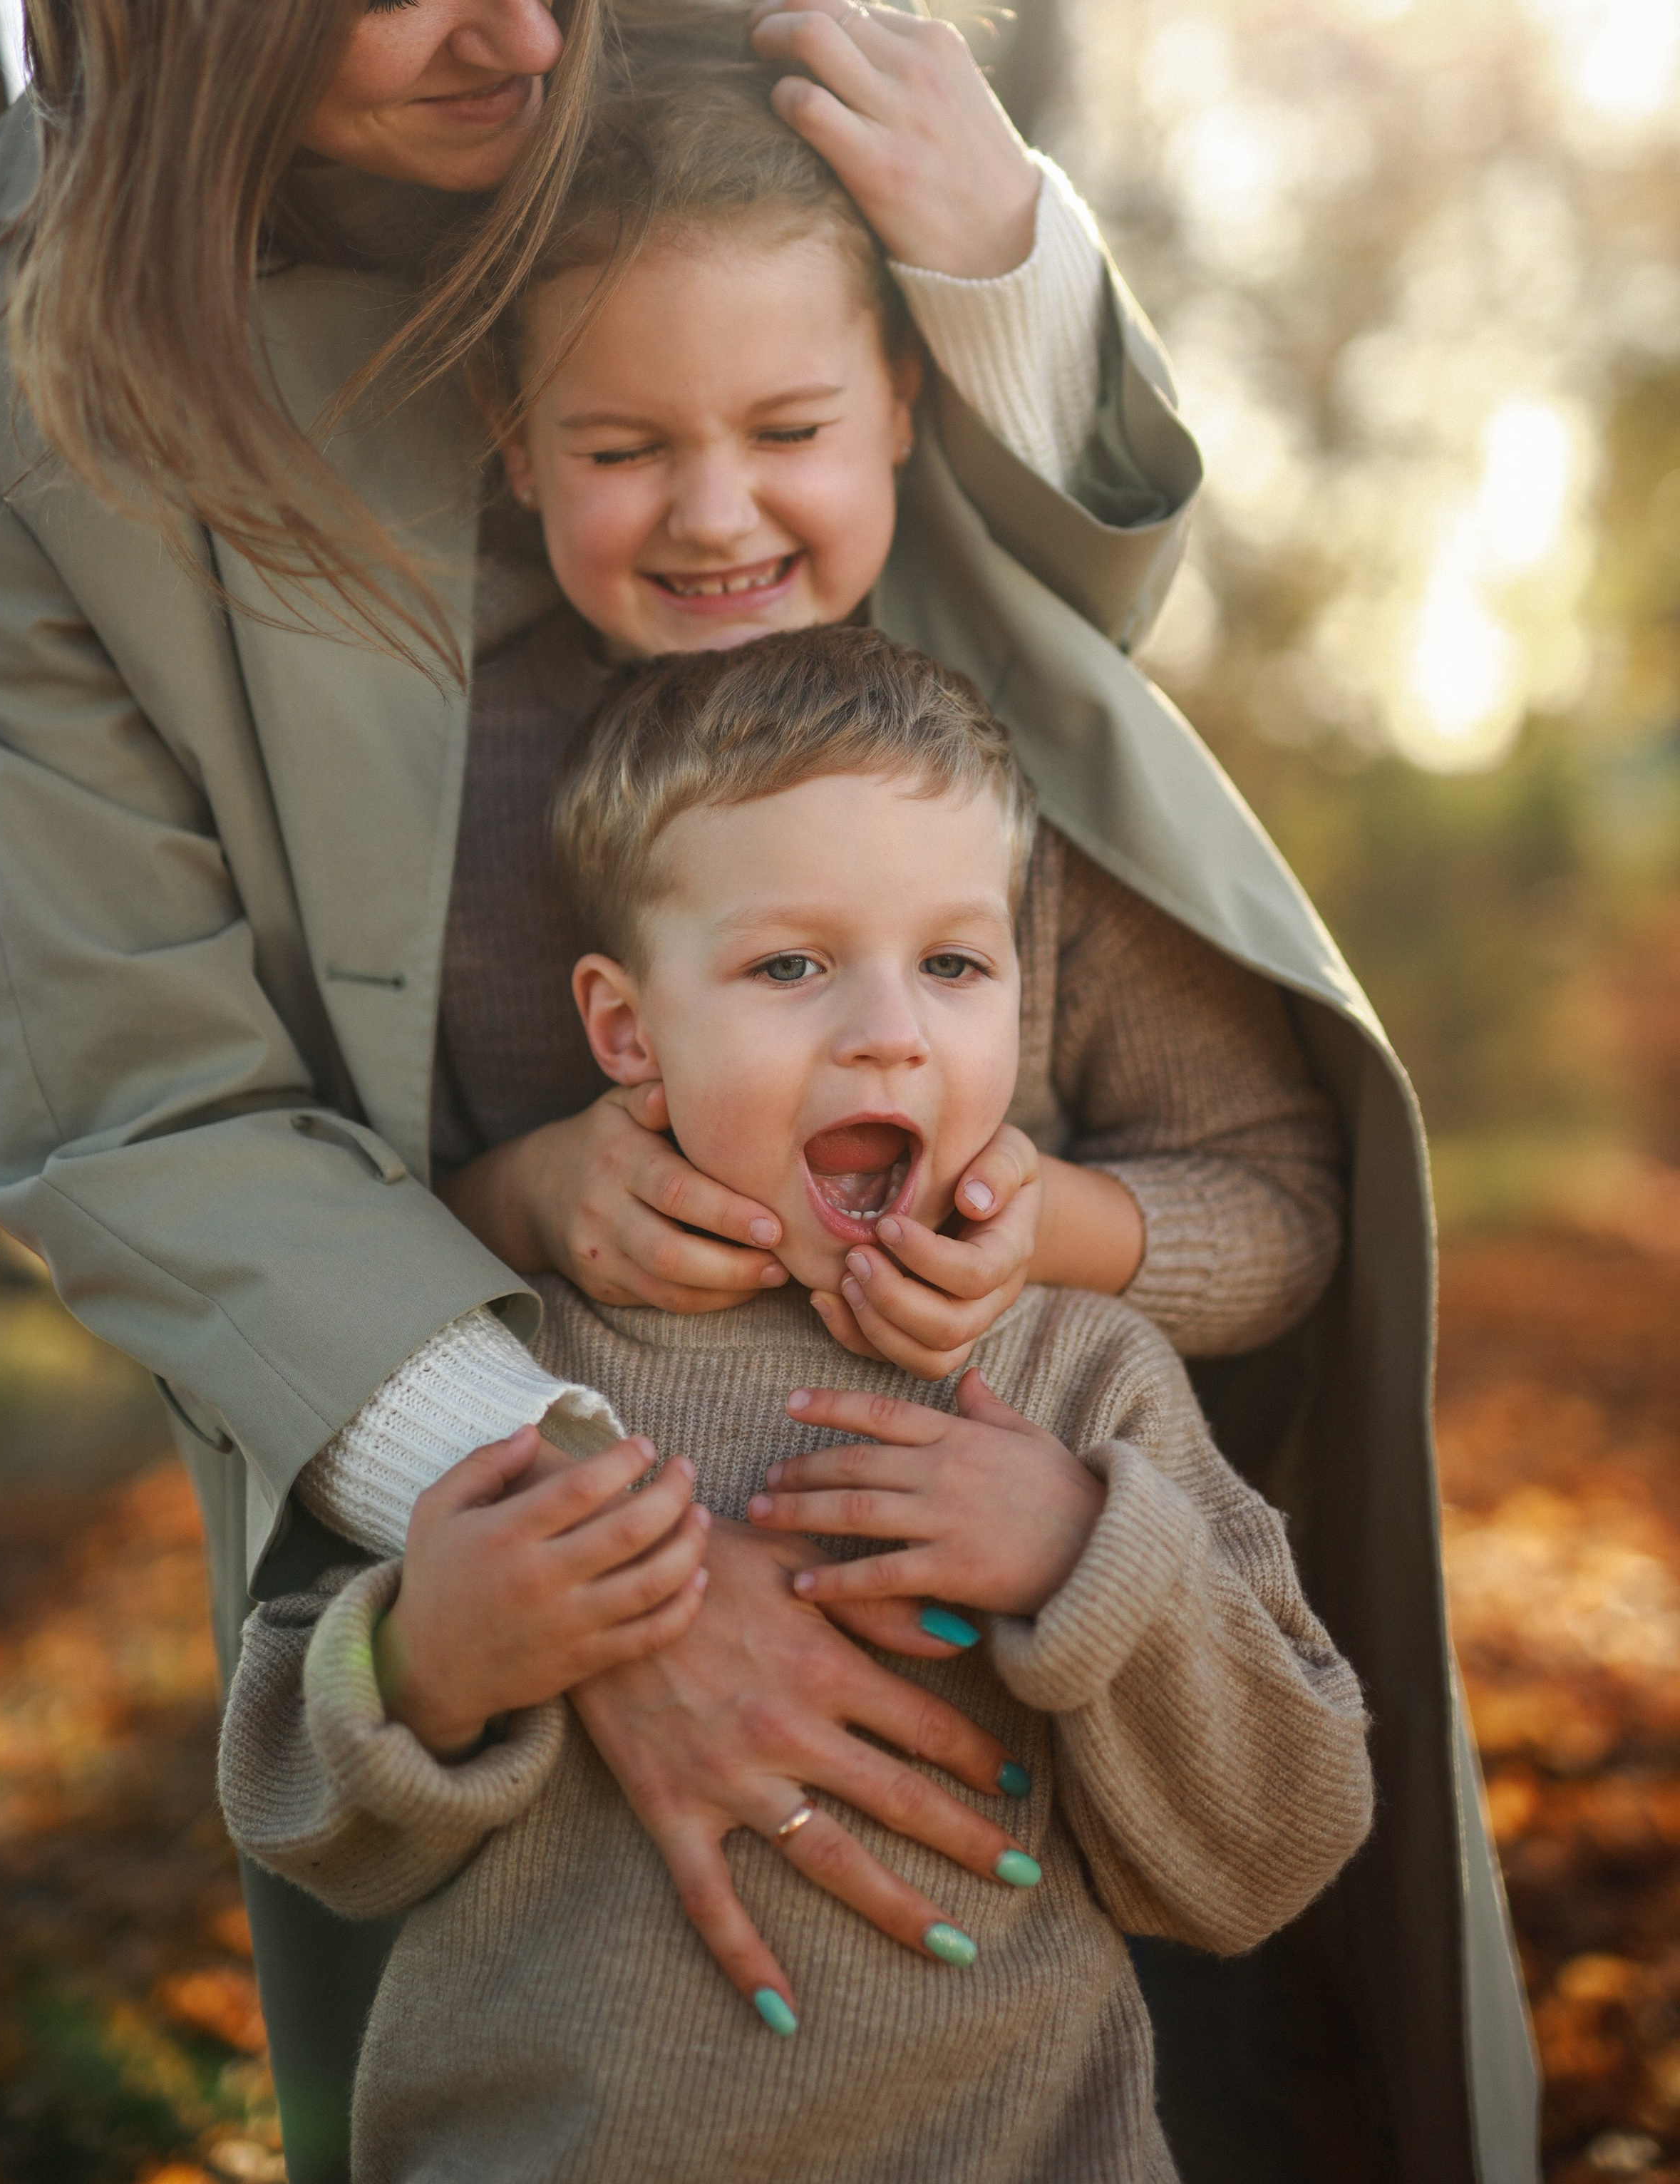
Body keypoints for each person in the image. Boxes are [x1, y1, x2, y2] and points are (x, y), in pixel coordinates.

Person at [0, 0, 1535, 2175]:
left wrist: (1009, 256)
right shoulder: (6, 375)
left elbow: (1062, 623)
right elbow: (130, 1091)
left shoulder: (738, 0)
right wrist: (574, 1532)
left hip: (953, 1330)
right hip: (487, 1375)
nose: (526, 31)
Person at [220, 628, 1376, 2184]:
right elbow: (300, 1820)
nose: (890, 1029)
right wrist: (430, 1660)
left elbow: (1276, 1843)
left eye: (953, 964)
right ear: (625, 1030)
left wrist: (1084, 1554)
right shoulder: (503, 1364)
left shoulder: (1073, 1380)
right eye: (790, 966)